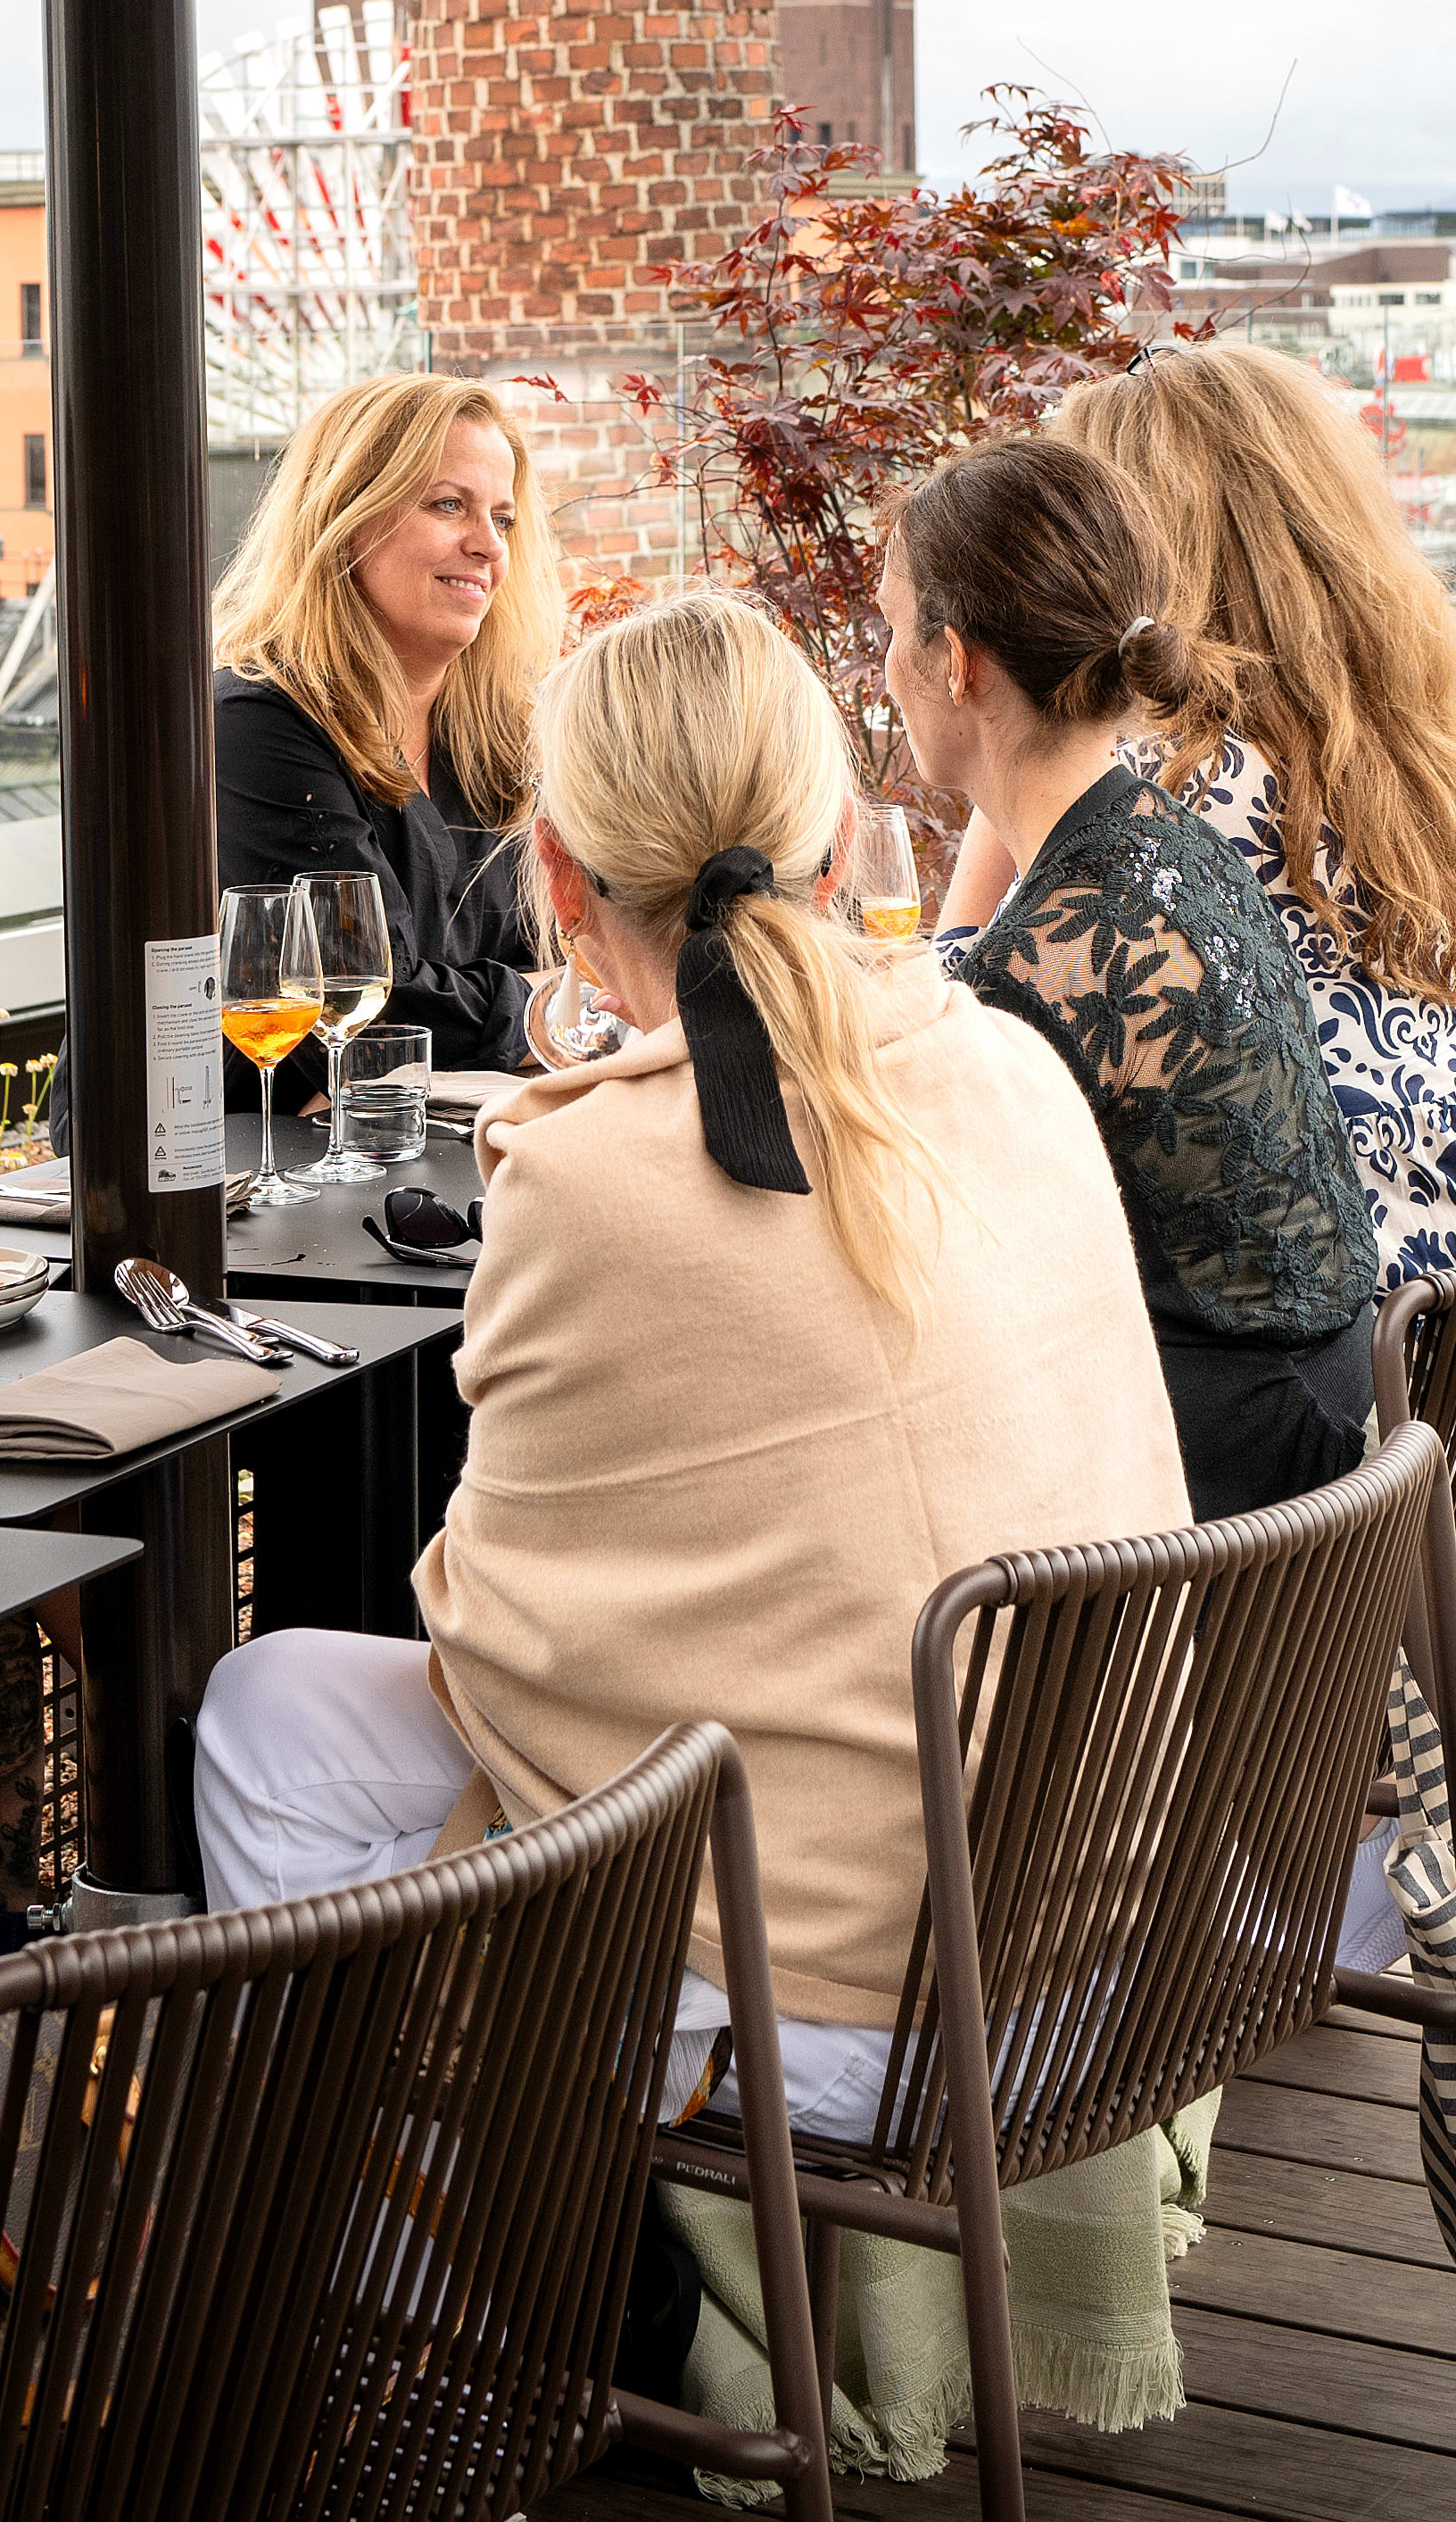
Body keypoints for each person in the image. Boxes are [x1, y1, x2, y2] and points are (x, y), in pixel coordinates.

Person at [195, 581, 1186, 2146]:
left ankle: (401, 2290)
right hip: (1114, 1938)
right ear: (840, 838)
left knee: (265, 1708)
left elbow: (496, 1640)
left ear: (556, 874)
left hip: (874, 2006)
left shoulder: (590, 1172)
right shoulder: (1001, 1056)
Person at [887, 432, 1386, 1515]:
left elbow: (949, 1274)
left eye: (890, 631)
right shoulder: (1172, 839)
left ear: (957, 661)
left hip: (1220, 1506)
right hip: (1336, 1441)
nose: (882, 672)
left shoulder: (1049, 960)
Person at [1059, 342, 1456, 1296]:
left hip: (1393, 1376)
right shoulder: (1401, 755)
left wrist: (1025, 759)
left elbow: (989, 1035)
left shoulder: (1167, 797)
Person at [209, 373, 554, 1113]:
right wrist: (536, 1011)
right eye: (447, 505)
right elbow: (360, 1001)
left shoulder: (498, 733)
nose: (488, 545)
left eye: (504, 518)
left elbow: (579, 953)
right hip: (238, 1176)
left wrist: (533, 1007)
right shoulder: (256, 724)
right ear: (346, 518)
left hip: (434, 1141)